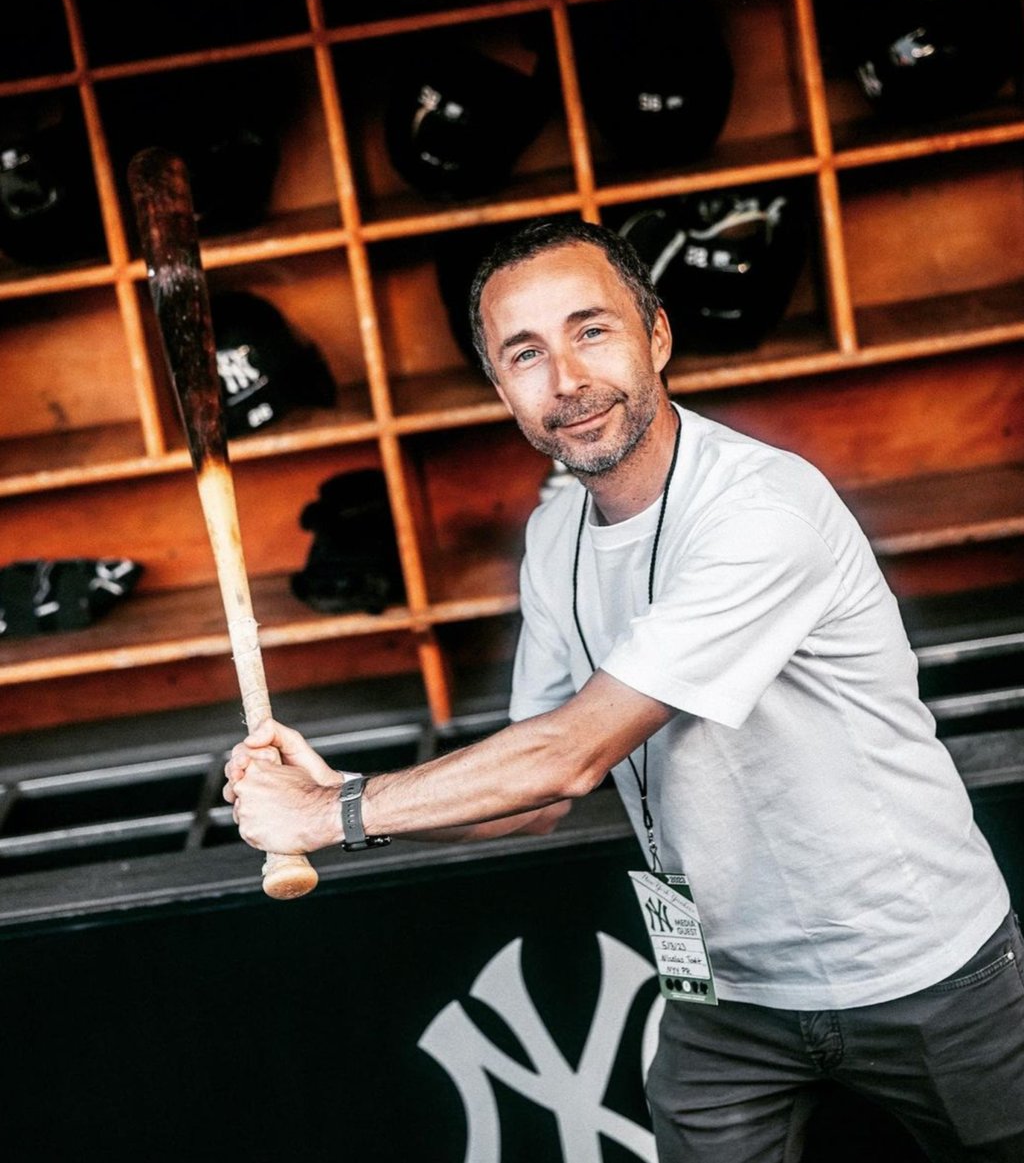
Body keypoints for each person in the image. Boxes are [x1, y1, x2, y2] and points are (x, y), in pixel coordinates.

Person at [224, 218, 1024, 1161]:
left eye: (591, 330)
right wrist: (346, 791)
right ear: (500, 389)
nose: (565, 379)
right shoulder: (557, 532)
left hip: (924, 971)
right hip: (725, 998)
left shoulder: (763, 510)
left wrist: (332, 813)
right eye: (525, 353)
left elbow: (571, 756)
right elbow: (526, 804)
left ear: (658, 335)